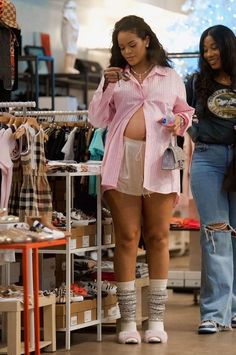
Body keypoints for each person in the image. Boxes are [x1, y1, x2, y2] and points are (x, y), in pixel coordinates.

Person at [88, 15, 193, 344]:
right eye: (121, 47)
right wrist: (105, 85)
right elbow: (96, 118)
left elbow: (185, 113)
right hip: (122, 161)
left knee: (158, 236)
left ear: (147, 39)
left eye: (132, 45)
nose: (127, 51)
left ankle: (157, 321)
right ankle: (128, 321)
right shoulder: (115, 79)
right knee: (127, 238)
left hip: (159, 162)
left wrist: (178, 121)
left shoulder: (170, 76)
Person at [185, 25, 236, 334]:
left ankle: (232, 309)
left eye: (214, 46)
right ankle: (214, 313)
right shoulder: (196, 82)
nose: (209, 53)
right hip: (208, 160)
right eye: (205, 48)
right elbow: (178, 114)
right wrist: (196, 133)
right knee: (216, 234)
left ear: (228, 46)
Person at [61, 0, 80, 73]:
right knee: (69, 50)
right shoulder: (68, 12)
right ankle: (67, 67)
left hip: (74, 37)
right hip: (69, 36)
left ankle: (71, 67)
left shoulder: (74, 15)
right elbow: (65, 18)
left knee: (73, 50)